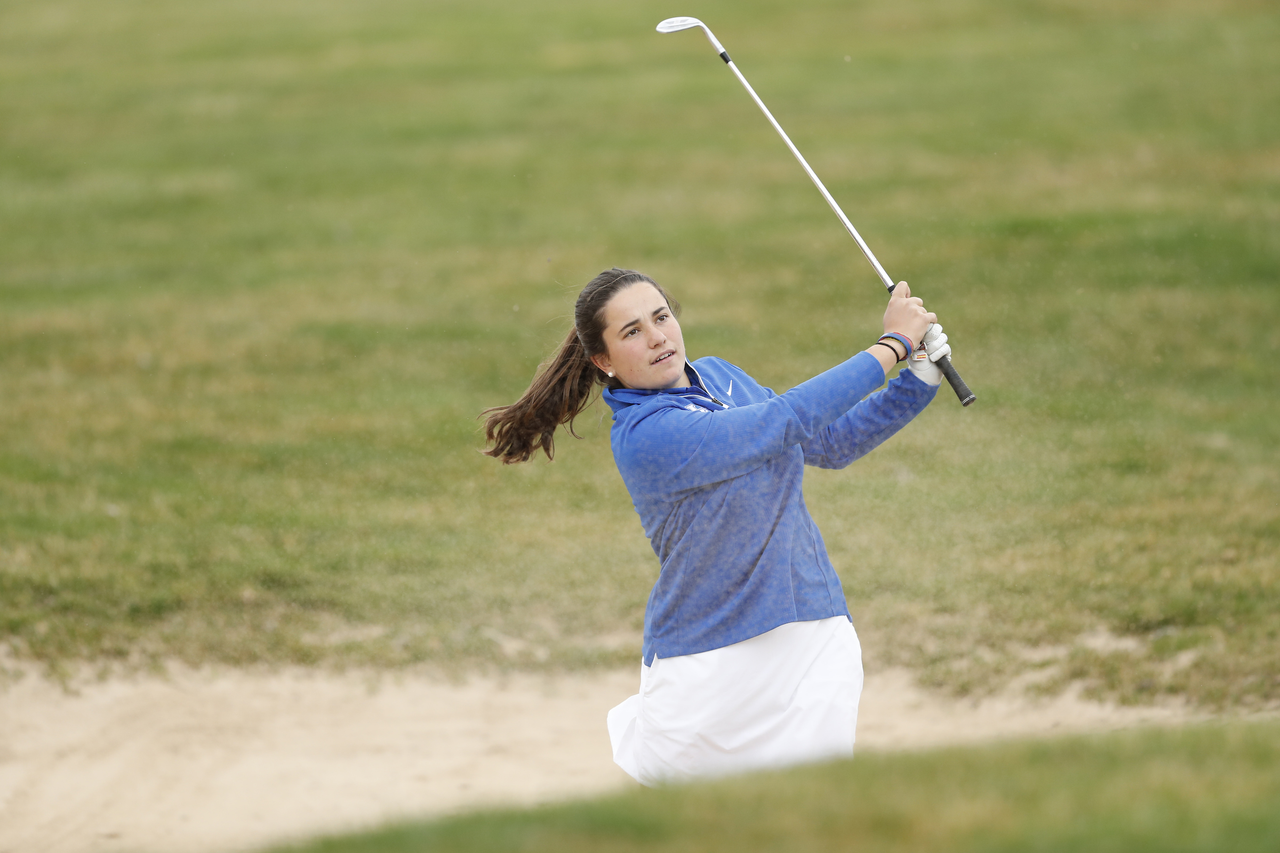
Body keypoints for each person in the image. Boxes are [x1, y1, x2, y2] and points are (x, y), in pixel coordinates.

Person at [483, 267, 951, 786]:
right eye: (632, 331)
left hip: (812, 632)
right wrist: (891, 345)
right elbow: (781, 421)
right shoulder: (646, 435)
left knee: (816, 809)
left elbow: (830, 441)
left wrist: (919, 378)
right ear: (603, 360)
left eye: (661, 317)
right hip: (709, 667)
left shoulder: (722, 376)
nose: (657, 337)